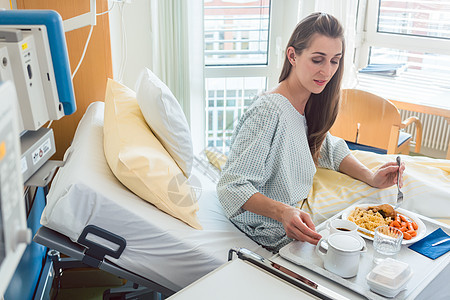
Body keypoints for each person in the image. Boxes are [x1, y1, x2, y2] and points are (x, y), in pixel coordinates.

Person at [217, 12, 405, 253]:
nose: (327, 72)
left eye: (335, 61)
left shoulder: (308, 102)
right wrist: (284, 211)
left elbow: (328, 148)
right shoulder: (268, 111)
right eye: (318, 60)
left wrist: (371, 177)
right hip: (266, 228)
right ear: (293, 55)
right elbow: (232, 186)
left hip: (294, 213)